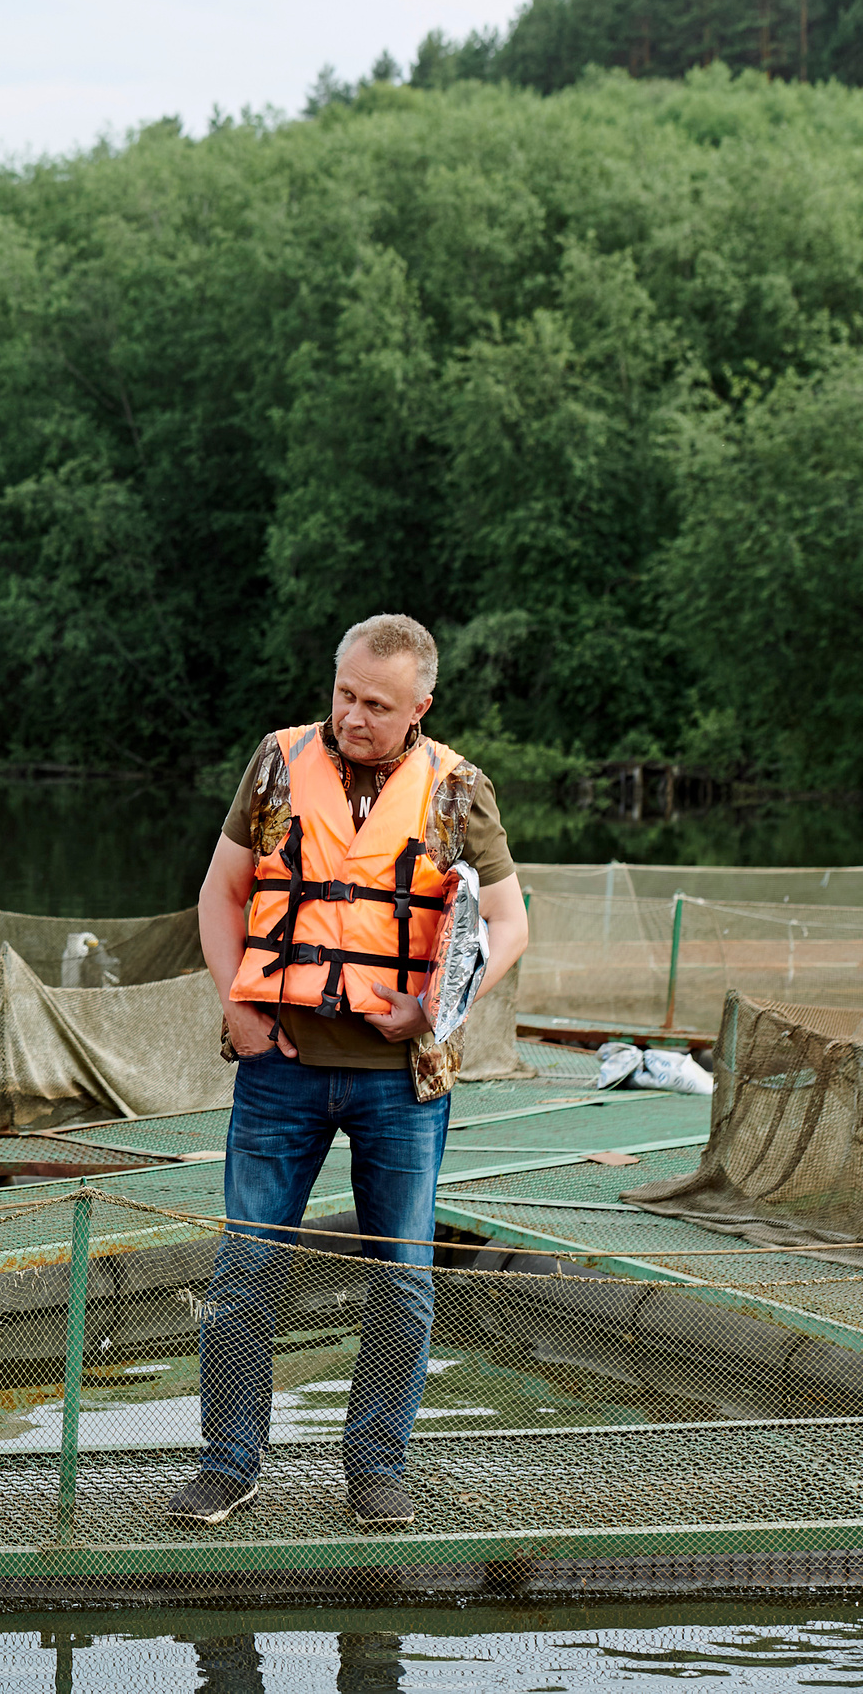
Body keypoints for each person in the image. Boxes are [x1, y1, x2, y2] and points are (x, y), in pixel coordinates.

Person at [164, 613, 529, 1533]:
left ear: (420, 707)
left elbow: (511, 924)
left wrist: (439, 1009)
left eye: (377, 703)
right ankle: (229, 1461)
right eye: (345, 693)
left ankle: (375, 1466)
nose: (355, 715)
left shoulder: (459, 788)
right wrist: (238, 1008)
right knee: (248, 1262)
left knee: (404, 1272)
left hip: (399, 1077)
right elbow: (222, 892)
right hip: (279, 1064)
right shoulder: (278, 762)